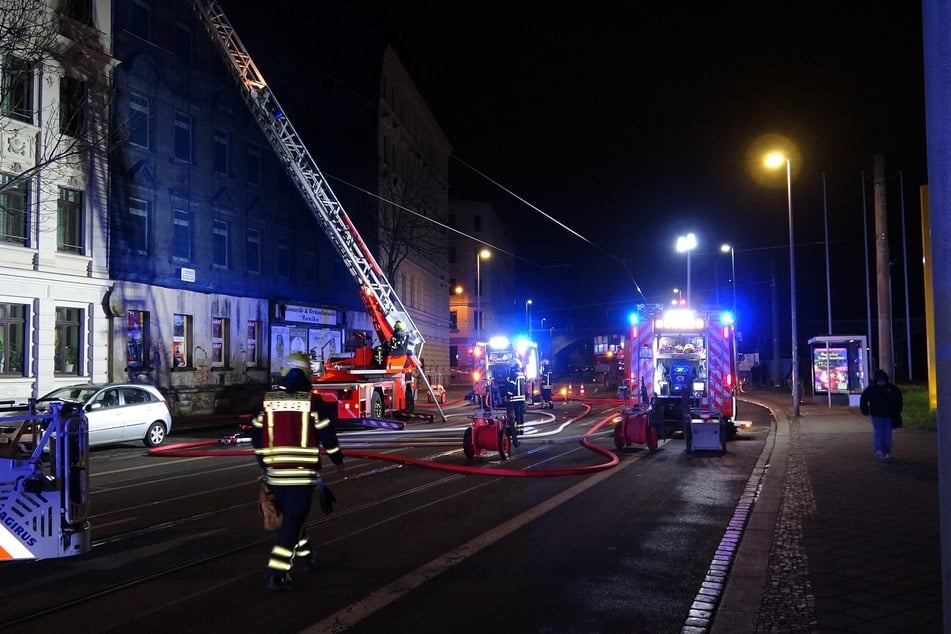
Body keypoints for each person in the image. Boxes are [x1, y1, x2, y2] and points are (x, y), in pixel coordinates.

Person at [250, 351, 344, 591]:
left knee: (292, 519)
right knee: (292, 521)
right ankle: (277, 573)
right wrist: (337, 458)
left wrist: (264, 463)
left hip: (274, 474)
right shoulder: (313, 402)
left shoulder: (267, 400)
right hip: (301, 475)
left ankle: (306, 554)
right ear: (306, 374)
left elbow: (256, 435)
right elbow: (326, 434)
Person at [859, 368, 903, 460]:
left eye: (882, 381)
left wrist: (896, 410)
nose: (881, 383)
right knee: (880, 433)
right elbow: (864, 400)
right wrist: (865, 410)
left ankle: (886, 451)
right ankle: (880, 450)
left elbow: (898, 401)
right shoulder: (873, 389)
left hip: (888, 415)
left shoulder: (891, 389)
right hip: (877, 415)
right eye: (879, 381)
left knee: (886, 434)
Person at [505, 360, 527, 439]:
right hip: (522, 397)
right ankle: (521, 430)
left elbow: (512, 386)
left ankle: (517, 431)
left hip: (516, 398)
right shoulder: (521, 374)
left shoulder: (513, 374)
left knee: (516, 415)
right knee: (520, 414)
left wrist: (508, 395)